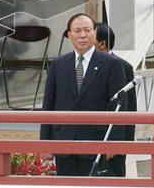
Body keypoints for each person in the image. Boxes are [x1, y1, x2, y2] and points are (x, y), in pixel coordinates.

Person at [40, 14, 129, 176]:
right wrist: (46, 143)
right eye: (77, 31)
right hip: (64, 141)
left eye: (87, 30)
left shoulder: (111, 64)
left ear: (94, 33)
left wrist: (114, 142)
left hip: (97, 141)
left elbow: (120, 106)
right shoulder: (58, 64)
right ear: (69, 35)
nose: (82, 35)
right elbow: (49, 104)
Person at [94, 22, 137, 177]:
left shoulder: (123, 66)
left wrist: (122, 143)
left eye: (90, 34)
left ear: (102, 43)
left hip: (112, 136)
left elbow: (129, 106)